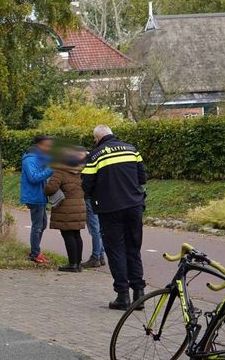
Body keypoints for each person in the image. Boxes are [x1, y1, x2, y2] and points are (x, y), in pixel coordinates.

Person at [82, 124, 148, 310]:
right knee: (133, 248)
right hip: (134, 206)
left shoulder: (95, 155)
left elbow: (86, 185)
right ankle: (139, 295)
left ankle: (123, 296)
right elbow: (142, 178)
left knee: (116, 250)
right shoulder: (131, 149)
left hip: (110, 209)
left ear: (97, 138)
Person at [44, 147, 87, 273]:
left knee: (68, 235)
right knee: (76, 234)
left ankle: (72, 264)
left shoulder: (60, 172)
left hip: (66, 208)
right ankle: (78, 263)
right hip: (79, 206)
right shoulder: (80, 171)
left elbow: (51, 188)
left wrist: (45, 189)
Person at [20, 135, 55, 264]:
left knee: (42, 224)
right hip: (34, 197)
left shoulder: (40, 158)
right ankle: (35, 254)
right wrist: (50, 170)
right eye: (48, 145)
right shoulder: (30, 160)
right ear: (40, 145)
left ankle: (35, 251)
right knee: (38, 226)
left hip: (40, 197)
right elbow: (33, 178)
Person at [81, 200, 106, 268]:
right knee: (98, 228)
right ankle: (101, 256)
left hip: (90, 198)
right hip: (99, 199)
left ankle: (95, 257)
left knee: (95, 229)